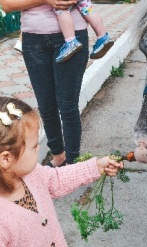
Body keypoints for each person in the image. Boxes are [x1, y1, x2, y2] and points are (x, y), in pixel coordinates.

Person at [0, 97, 123, 247]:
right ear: (6, 158)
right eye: (33, 146)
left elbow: (56, 179)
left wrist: (95, 166)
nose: (39, 148)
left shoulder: (31, 175)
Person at [0, 0, 91, 168]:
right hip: (34, 40)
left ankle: (73, 164)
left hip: (71, 36)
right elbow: (7, 4)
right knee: (46, 106)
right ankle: (58, 157)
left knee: (67, 105)